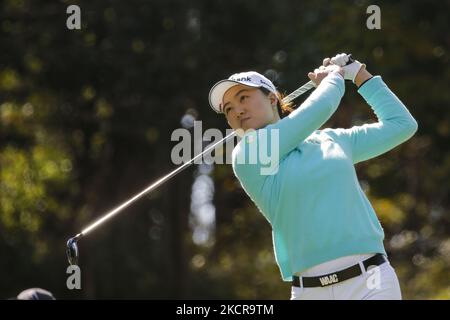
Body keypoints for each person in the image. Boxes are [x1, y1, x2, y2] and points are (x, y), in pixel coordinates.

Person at [208, 53, 418, 300]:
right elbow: (320, 107)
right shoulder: (248, 155)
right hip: (309, 292)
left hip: (371, 282)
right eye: (229, 109)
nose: (238, 111)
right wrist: (335, 78)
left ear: (272, 98)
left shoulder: (331, 140)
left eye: (244, 97)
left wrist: (359, 75)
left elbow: (402, 124)